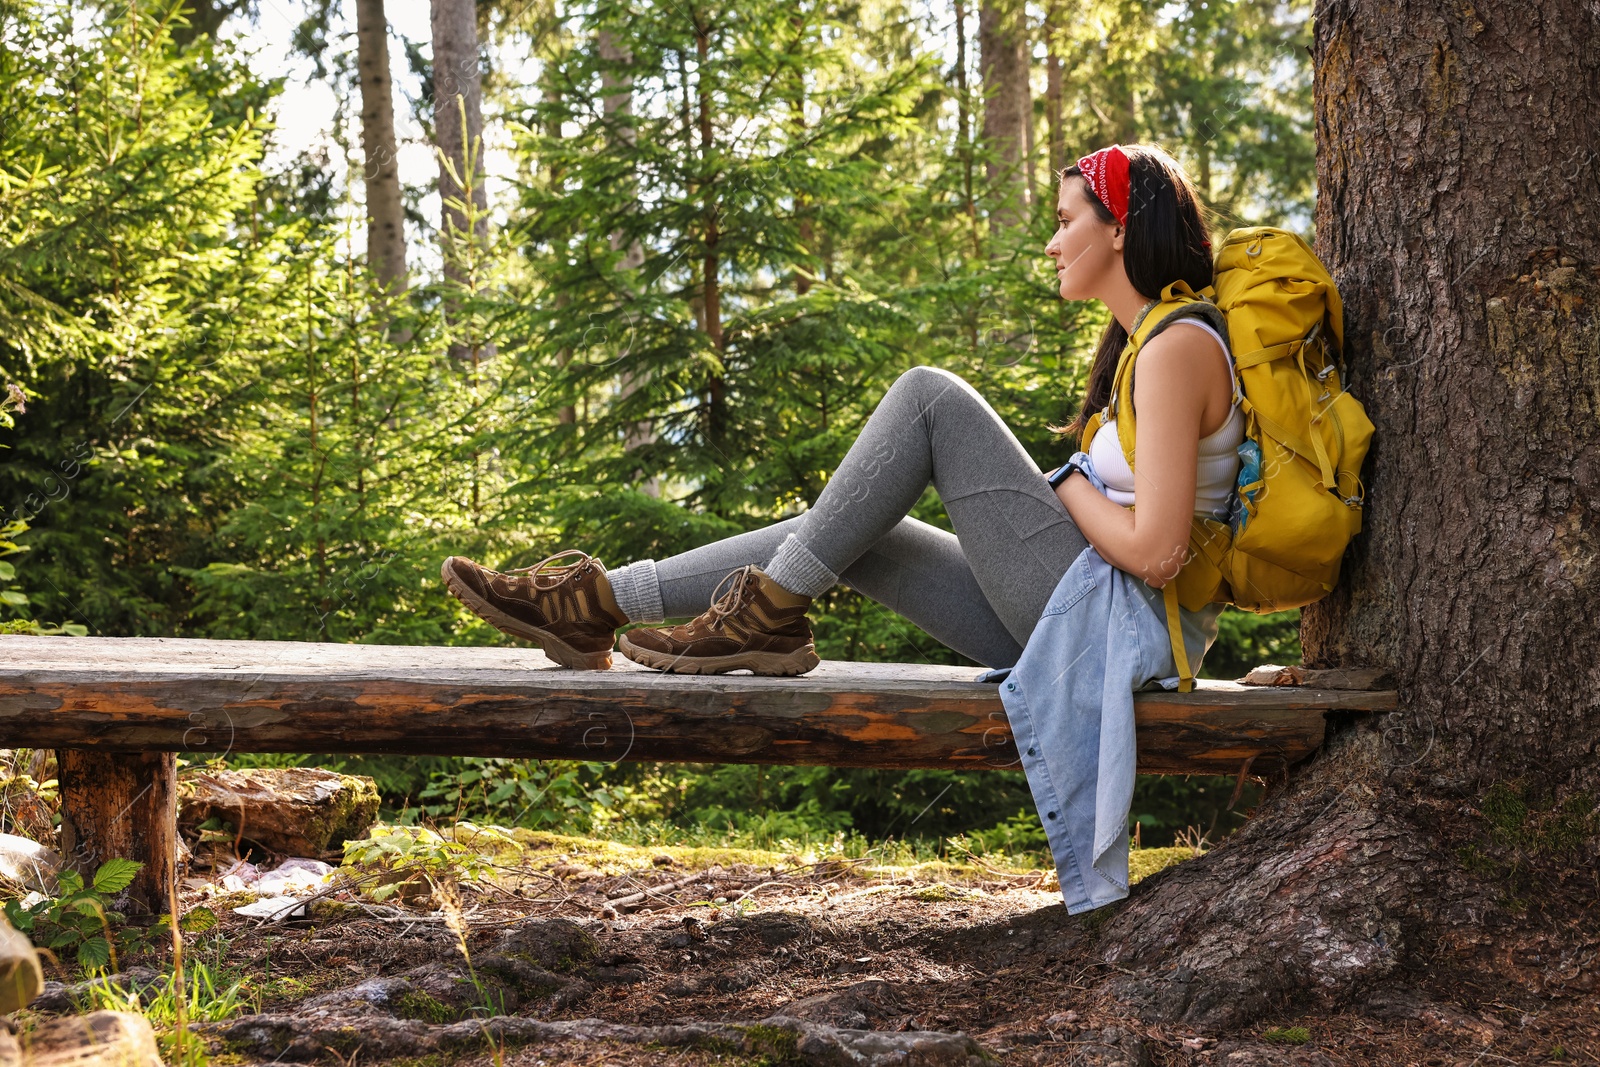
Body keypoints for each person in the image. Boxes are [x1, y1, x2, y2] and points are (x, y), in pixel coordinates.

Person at [440, 142, 1242, 677]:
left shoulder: (1177, 348)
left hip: (1120, 638)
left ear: (1121, 226)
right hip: (1087, 624)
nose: (1052, 242)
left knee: (929, 396)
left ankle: (754, 616)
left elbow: (1159, 552)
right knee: (851, 529)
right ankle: (599, 606)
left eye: (1066, 221)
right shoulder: (1151, 344)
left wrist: (1068, 485)